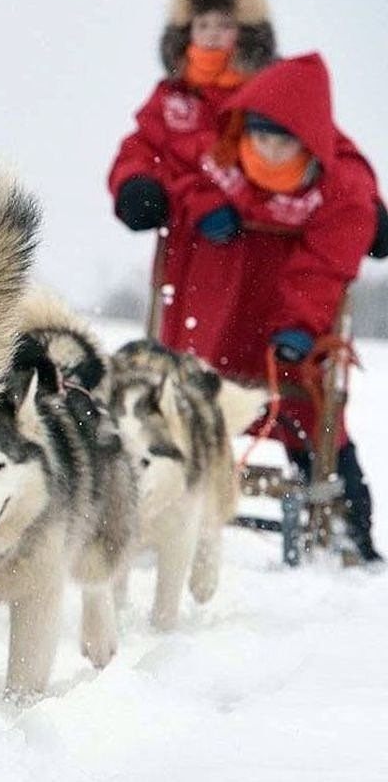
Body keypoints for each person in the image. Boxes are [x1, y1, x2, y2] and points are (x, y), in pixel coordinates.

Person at [164, 53, 381, 562]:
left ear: (307, 139)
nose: (266, 148)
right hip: (214, 322)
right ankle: (161, 509)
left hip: (285, 342)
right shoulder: (218, 160)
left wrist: (299, 326)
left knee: (312, 417)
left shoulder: (338, 187)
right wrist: (200, 204)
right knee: (180, 411)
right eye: (259, 135)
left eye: (282, 139)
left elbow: (323, 266)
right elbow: (179, 175)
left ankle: (351, 535)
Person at [109, 0, 276, 232]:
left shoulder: (271, 90)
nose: (212, 35)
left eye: (224, 25)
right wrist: (134, 183)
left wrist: (205, 198)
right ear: (187, 31)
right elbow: (141, 147)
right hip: (186, 245)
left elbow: (287, 165)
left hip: (256, 240)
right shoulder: (171, 95)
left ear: (246, 31)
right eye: (203, 24)